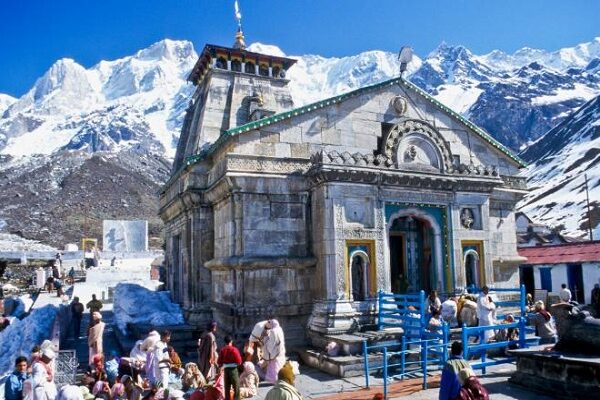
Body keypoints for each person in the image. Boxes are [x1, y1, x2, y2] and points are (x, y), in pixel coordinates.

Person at [262, 319, 287, 384]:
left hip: (275, 352)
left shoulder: (273, 331)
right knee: (280, 365)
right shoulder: (280, 329)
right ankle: (281, 378)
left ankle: (274, 380)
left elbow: (271, 343)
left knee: (274, 367)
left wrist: (266, 342)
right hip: (281, 350)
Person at [218, 335, 242, 400]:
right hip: (233, 370)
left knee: (227, 387)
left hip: (226, 370)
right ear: (231, 341)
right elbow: (239, 361)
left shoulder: (222, 350)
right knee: (236, 387)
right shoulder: (234, 349)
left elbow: (219, 361)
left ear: (225, 342)